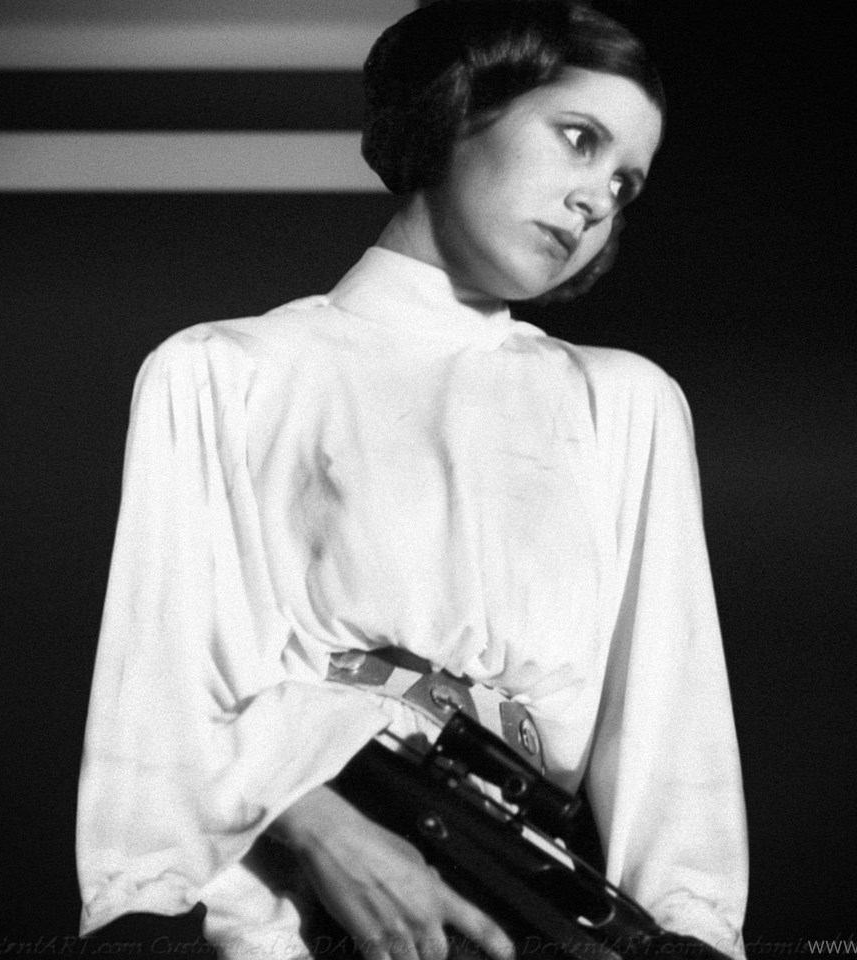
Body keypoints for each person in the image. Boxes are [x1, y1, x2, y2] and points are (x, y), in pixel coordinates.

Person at [76, 2, 748, 958]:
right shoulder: (222, 371)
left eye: (624, 183)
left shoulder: (623, 402)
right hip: (267, 915)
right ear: (461, 106)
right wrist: (328, 829)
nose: (597, 199)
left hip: (522, 917)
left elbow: (672, 744)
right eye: (578, 138)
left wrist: (689, 935)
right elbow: (159, 702)